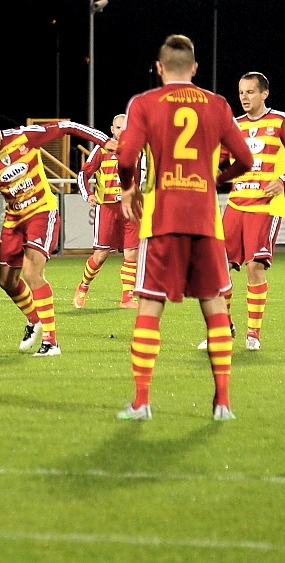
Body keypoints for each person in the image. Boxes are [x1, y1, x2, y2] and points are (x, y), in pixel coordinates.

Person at [114, 34, 254, 422]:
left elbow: (126, 158)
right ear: (194, 68)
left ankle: (142, 402)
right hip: (206, 221)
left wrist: (127, 188)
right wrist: (216, 178)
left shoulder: (144, 104)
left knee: (149, 305)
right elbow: (245, 160)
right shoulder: (218, 104)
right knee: (214, 305)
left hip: (162, 220)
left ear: (159, 68)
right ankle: (222, 403)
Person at [0, 104, 109, 356]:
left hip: (41, 211)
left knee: (31, 272)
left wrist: (104, 141)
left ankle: (51, 343)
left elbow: (66, 126)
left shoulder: (24, 136)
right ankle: (34, 319)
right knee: (6, 281)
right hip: (14, 220)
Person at [206, 71, 285, 352]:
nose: (244, 97)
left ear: (264, 93)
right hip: (236, 204)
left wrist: (283, 180)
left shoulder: (280, 121)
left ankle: (253, 334)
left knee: (254, 266)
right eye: (241, 92)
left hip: (265, 206)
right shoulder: (235, 125)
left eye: (250, 92)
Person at [73, 113, 141, 309]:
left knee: (131, 253)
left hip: (130, 208)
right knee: (101, 255)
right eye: (118, 127)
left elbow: (139, 178)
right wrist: (88, 194)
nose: (122, 131)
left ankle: (127, 298)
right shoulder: (101, 149)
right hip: (107, 209)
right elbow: (83, 174)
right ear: (112, 130)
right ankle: (83, 287)